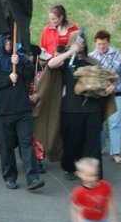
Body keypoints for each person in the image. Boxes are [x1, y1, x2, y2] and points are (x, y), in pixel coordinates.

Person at [43, 33, 116, 180]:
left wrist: (109, 88)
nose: (80, 45)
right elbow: (51, 64)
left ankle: (95, 174)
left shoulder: (92, 61)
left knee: (93, 143)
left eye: (83, 42)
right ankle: (70, 168)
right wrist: (71, 51)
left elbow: (105, 80)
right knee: (72, 142)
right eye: (77, 42)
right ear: (71, 43)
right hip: (70, 109)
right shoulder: (65, 61)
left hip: (92, 108)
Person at [0, 34, 45, 190]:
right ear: (1, 42)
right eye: (6, 40)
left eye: (11, 40)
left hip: (22, 109)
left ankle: (33, 178)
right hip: (3, 111)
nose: (9, 43)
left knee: (26, 143)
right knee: (6, 146)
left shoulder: (21, 58)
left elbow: (31, 75)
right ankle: (10, 177)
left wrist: (20, 65)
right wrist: (8, 79)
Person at [89, 30, 121, 164]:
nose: (101, 46)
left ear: (108, 42)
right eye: (99, 44)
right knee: (98, 122)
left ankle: (116, 152)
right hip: (98, 95)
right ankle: (100, 146)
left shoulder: (117, 56)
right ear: (95, 43)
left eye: (104, 44)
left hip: (115, 94)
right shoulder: (91, 57)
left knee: (115, 123)